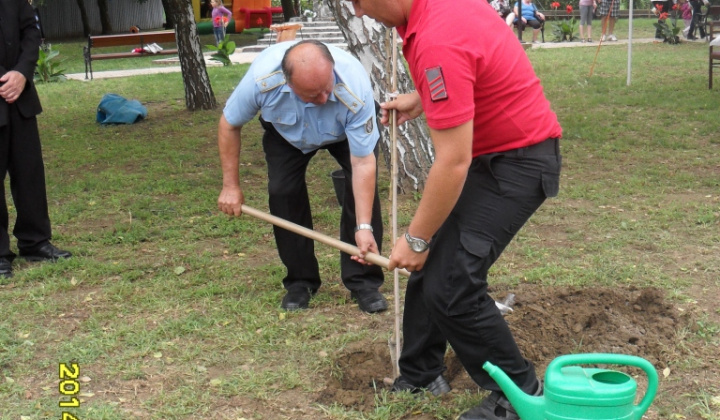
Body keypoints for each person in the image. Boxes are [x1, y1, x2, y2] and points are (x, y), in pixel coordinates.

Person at [347, 0, 562, 419]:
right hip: (499, 156)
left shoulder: (435, 37)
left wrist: (416, 239)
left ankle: (517, 395)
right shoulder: (439, 10)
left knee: (452, 281)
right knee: (435, 270)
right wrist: (423, 98)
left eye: (357, 0)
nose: (357, 12)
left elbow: (452, 161)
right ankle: (422, 374)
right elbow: (480, 68)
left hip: (517, 164)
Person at [217, 39, 388, 314]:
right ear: (288, 84)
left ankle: (364, 283)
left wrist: (364, 227)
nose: (323, 100)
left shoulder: (355, 88)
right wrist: (230, 186)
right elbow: (229, 124)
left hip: (344, 133)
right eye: (311, 94)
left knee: (361, 196)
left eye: (326, 89)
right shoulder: (262, 81)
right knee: (283, 192)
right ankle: (300, 282)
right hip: (287, 136)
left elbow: (363, 164)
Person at [1, 0, 73, 279]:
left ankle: (35, 242)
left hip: (20, 97)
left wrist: (22, 72)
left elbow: (32, 30)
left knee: (29, 171)